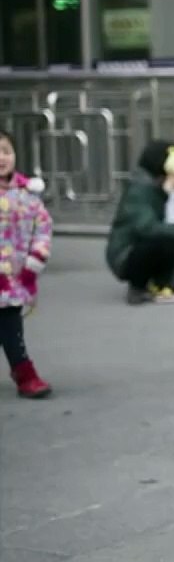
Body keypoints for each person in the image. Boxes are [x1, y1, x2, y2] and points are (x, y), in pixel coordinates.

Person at [0, 130, 53, 398]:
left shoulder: (28, 195)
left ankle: (24, 372)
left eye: (6, 150)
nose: (2, 157)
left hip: (13, 279)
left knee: (11, 326)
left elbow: (43, 229)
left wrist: (35, 262)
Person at [105, 140, 174, 305]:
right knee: (160, 241)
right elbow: (146, 227)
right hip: (126, 253)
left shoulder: (163, 185)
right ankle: (137, 286)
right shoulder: (140, 191)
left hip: (143, 244)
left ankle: (166, 283)